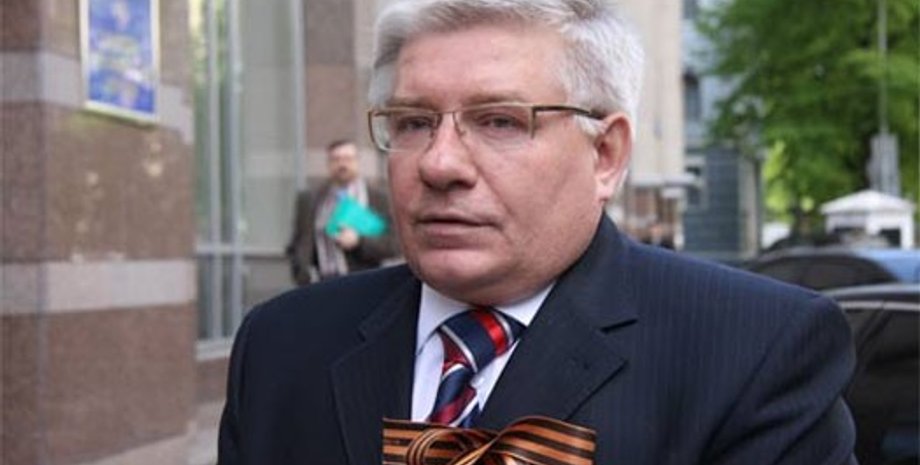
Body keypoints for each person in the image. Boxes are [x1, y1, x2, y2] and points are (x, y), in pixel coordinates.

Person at [219, 1, 857, 464]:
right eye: (413, 122)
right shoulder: (281, 346)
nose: (439, 163)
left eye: (499, 121)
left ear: (605, 155)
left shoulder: (756, 351)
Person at [284, 139, 397, 284]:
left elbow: (395, 245)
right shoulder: (309, 199)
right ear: (328, 163)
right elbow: (298, 241)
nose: (342, 165)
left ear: (357, 162)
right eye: (336, 159)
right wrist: (301, 273)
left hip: (362, 282)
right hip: (320, 282)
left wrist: (359, 241)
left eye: (348, 159)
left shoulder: (377, 199)